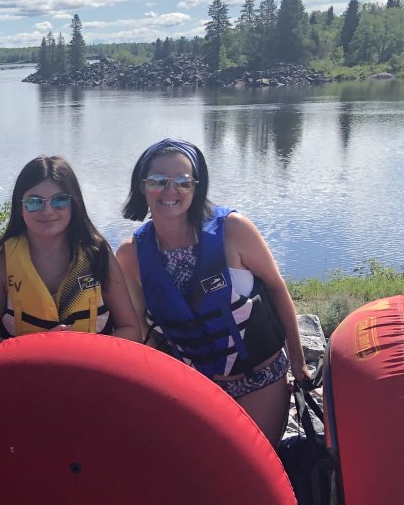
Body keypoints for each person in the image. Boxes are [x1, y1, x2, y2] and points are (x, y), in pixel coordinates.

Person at [114, 138, 310, 445]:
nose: (170, 191)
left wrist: (298, 364)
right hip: (197, 386)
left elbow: (276, 288)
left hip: (259, 379)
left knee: (252, 463)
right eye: (158, 181)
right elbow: (140, 331)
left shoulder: (234, 230)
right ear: (142, 187)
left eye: (183, 182)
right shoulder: (130, 255)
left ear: (197, 187)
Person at [0, 155, 141, 348]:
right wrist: (42, 348)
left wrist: (78, 350)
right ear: (19, 207)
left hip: (90, 365)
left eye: (60, 200)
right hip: (26, 367)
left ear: (74, 204)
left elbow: (131, 330)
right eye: (34, 202)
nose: (47, 211)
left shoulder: (98, 256)